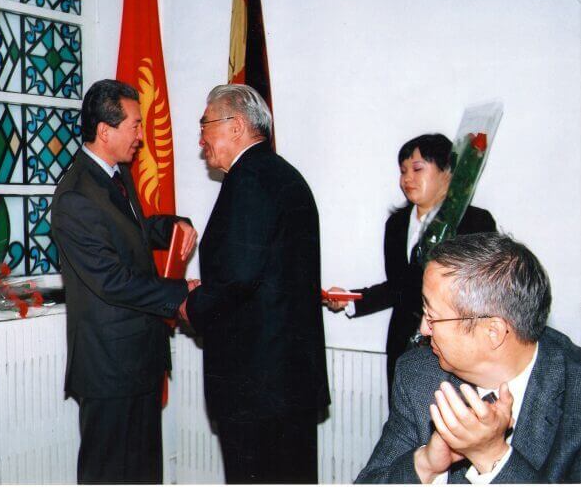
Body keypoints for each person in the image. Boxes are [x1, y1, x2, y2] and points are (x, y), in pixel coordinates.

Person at [179, 84, 330, 483]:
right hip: (284, 382)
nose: (201, 139)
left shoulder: (249, 179)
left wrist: (193, 304)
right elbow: (260, 273)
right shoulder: (281, 175)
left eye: (205, 125)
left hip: (255, 387)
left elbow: (239, 275)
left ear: (236, 126)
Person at [50, 79, 198, 484]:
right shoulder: (76, 196)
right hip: (109, 368)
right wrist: (180, 293)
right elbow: (111, 280)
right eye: (135, 125)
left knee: (144, 475)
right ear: (105, 130)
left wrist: (172, 226)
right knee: (109, 476)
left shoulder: (116, 175)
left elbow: (132, 231)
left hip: (139, 359)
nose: (141, 136)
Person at [356, 232, 581, 484]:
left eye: (433, 316)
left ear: (493, 332)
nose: (423, 329)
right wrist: (426, 464)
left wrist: (491, 456)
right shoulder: (419, 373)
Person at [324, 133, 496, 396]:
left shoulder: (475, 222)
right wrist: (350, 299)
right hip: (402, 341)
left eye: (417, 169)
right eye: (403, 171)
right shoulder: (396, 224)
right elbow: (399, 286)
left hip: (456, 344)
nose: (407, 179)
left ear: (447, 172)